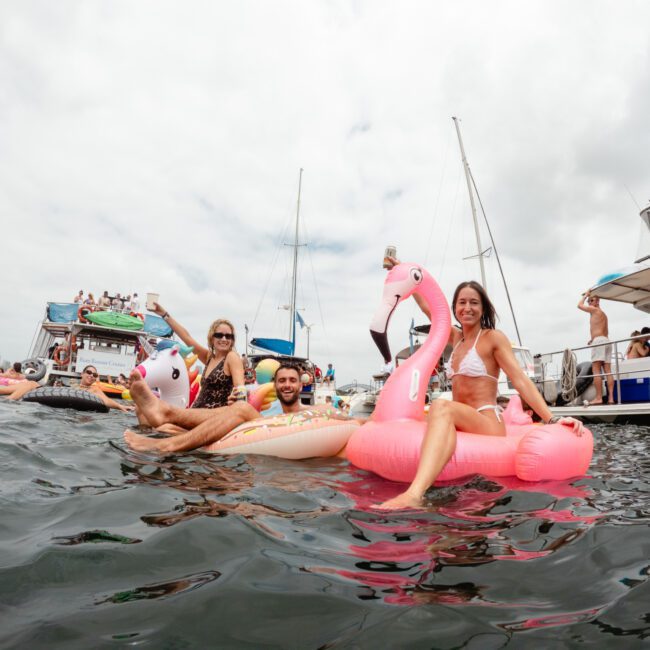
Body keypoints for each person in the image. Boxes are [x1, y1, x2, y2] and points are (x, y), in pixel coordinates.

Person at [377, 278, 584, 510]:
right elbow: (431, 310)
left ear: (483, 308)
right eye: (462, 302)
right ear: (454, 308)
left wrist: (551, 418)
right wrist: (412, 281)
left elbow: (519, 379)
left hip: (486, 420)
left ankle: (415, 494)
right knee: (439, 410)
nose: (468, 308)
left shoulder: (492, 338)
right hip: (462, 421)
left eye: (474, 302)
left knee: (440, 406)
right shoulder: (455, 338)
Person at [124, 363, 353, 453]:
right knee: (167, 427)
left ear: (302, 384)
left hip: (285, 466)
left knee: (242, 409)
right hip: (255, 442)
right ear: (275, 384)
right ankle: (163, 417)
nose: (287, 385)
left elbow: (352, 423)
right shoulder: (271, 412)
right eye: (281, 381)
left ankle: (166, 428)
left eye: (292, 381)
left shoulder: (320, 410)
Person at [149, 303, 245, 408]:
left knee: (166, 423)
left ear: (232, 340)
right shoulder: (209, 357)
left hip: (213, 417)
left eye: (228, 336)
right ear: (212, 338)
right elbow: (187, 337)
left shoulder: (232, 357)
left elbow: (240, 387)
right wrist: (164, 314)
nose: (224, 339)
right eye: (219, 335)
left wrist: (238, 400)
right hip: (196, 412)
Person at [578, 291, 614, 405]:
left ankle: (598, 398)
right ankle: (611, 398)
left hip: (599, 341)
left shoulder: (594, 310)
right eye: (589, 301)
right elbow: (603, 331)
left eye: (591, 300)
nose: (589, 302)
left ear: (597, 301)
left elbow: (579, 305)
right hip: (606, 340)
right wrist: (593, 339)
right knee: (608, 371)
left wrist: (585, 295)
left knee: (596, 370)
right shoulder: (603, 314)